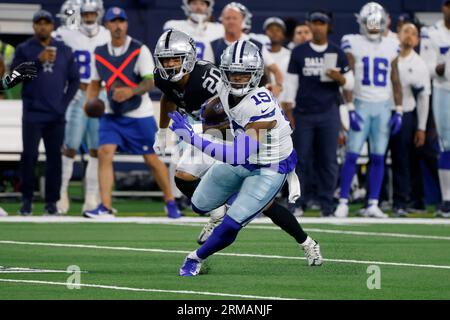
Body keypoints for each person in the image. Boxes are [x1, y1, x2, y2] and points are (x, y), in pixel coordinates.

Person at [168, 40, 323, 276]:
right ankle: (236, 207)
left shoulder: (260, 105)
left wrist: (193, 136)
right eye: (233, 73)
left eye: (244, 74)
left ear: (256, 74)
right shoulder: (222, 87)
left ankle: (195, 258)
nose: (238, 79)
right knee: (199, 204)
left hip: (270, 165)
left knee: (233, 222)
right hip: (244, 154)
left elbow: (238, 154)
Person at [83, 7, 181, 219]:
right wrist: (90, 101)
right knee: (104, 153)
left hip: (139, 114)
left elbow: (150, 81)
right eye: (113, 21)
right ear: (106, 25)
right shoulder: (99, 53)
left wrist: (131, 91)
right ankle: (106, 207)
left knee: (151, 158)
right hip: (111, 114)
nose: (118, 25)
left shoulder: (139, 49)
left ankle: (170, 202)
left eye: (121, 21)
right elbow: (94, 83)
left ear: (126, 24)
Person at [153, 29, 225, 242]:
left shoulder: (208, 78)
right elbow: (168, 98)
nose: (169, 65)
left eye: (175, 59)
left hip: (229, 128)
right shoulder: (162, 77)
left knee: (233, 173)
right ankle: (217, 212)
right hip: (200, 126)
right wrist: (162, 132)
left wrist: (200, 130)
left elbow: (232, 110)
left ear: (189, 57)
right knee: (183, 178)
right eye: (165, 60)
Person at [335, 2, 403, 218]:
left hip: (383, 106)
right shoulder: (352, 42)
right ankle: (344, 201)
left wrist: (399, 109)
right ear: (362, 22)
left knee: (379, 156)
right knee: (352, 155)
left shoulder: (392, 44)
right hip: (361, 103)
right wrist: (351, 107)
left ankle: (373, 202)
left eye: (377, 22)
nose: (374, 27)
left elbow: (395, 78)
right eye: (370, 22)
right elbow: (349, 76)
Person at [11, 10, 80, 215]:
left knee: (54, 160)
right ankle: (26, 201)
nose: (43, 26)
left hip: (56, 115)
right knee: (29, 157)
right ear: (34, 26)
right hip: (32, 113)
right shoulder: (24, 49)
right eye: (39, 23)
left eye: (46, 23)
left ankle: (52, 203)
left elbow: (75, 79)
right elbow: (15, 77)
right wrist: (38, 61)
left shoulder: (64, 49)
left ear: (52, 26)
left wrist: (64, 104)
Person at [287, 10, 354, 217]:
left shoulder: (337, 52)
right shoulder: (299, 52)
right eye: (314, 23)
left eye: (321, 23)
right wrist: (289, 112)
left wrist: (339, 78)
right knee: (302, 160)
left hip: (328, 112)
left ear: (328, 27)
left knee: (328, 160)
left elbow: (350, 83)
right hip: (304, 113)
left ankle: (326, 204)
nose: (317, 27)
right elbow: (290, 84)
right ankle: (298, 202)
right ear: (309, 26)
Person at [54, 0, 111, 214]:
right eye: (85, 14)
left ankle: (91, 196)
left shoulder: (106, 34)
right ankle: (61, 194)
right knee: (69, 147)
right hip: (77, 94)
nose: (89, 17)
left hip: (100, 94)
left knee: (96, 149)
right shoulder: (66, 33)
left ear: (99, 14)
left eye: (92, 13)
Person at [390, 23, 431, 217]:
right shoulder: (388, 56)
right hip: (383, 111)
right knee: (378, 156)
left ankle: (401, 201)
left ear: (418, 40)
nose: (409, 36)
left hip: (406, 114)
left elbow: (424, 98)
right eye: (406, 31)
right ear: (398, 34)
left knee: (402, 159)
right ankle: (376, 200)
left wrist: (421, 127)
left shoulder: (419, 64)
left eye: (414, 33)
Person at [210, 2, 284, 98]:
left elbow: (277, 71)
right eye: (228, 18)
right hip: (223, 98)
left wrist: (278, 87)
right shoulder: (213, 45)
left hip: (252, 98)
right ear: (222, 20)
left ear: (243, 21)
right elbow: (209, 73)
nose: (231, 21)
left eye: (234, 18)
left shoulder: (257, 45)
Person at [420, 0, 450, 218]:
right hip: (444, 89)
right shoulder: (432, 33)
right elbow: (426, 68)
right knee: (446, 145)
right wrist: (442, 67)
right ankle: (447, 199)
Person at [263, 17, 296, 128]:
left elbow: (291, 82)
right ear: (264, 33)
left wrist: (289, 106)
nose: (274, 33)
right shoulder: (257, 54)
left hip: (284, 107)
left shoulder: (290, 55)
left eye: (278, 30)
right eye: (270, 29)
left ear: (283, 34)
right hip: (261, 108)